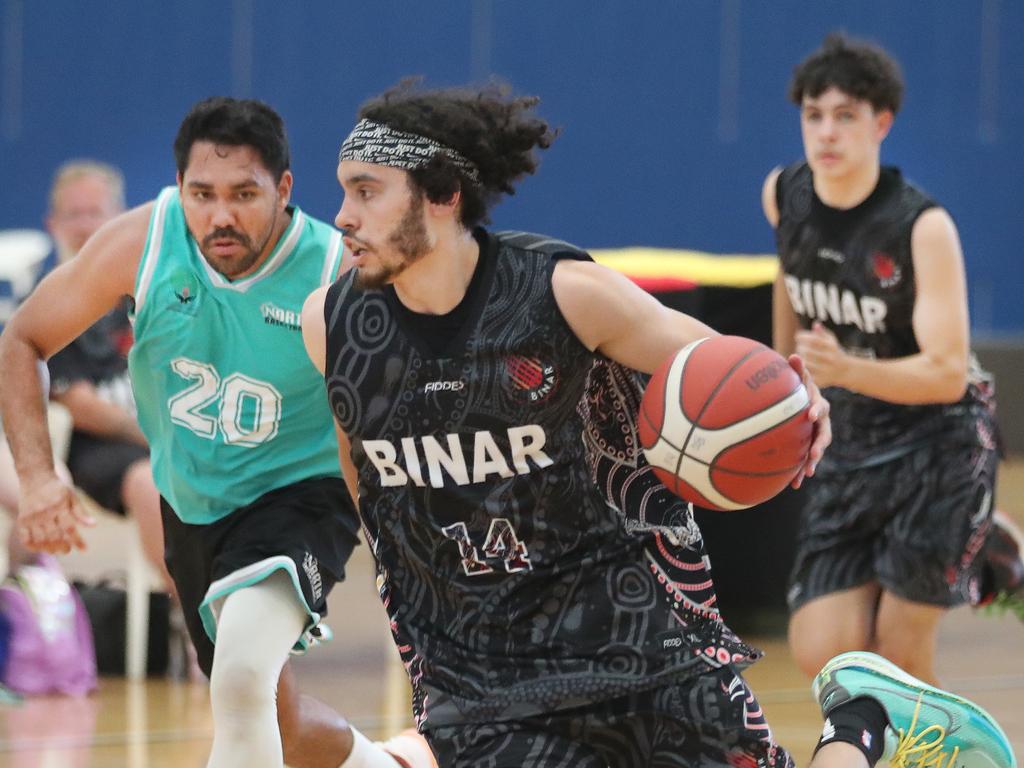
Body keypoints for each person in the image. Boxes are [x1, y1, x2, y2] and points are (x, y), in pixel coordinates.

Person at [300, 80, 1013, 768]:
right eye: (344, 190)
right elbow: (366, 481)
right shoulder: (332, 326)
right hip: (480, 673)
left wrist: (799, 401)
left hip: (634, 638)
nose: (343, 216)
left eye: (366, 191)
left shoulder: (561, 293)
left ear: (444, 195)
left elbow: (721, 361)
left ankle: (863, 719)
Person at [0, 98, 435, 768]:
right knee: (278, 722)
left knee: (236, 679)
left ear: (283, 190)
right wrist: (34, 477)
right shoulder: (143, 242)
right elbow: (22, 340)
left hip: (299, 498)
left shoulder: (334, 273)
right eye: (203, 194)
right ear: (180, 189)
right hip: (193, 508)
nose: (222, 215)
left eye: (244, 194)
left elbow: (403, 409)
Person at [763, 32, 1024, 688]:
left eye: (845, 116)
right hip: (852, 442)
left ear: (881, 123)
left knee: (899, 653)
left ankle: (977, 547)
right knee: (825, 653)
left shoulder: (921, 227)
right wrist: (777, 375)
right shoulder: (784, 194)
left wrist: (845, 369)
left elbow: (944, 373)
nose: (826, 133)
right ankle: (987, 547)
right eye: (813, 116)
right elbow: (787, 276)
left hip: (939, 445)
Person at [43, 160, 171, 590]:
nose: (83, 226)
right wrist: (158, 437)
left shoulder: (151, 292)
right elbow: (80, 407)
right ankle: (196, 625)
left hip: (169, 435)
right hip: (101, 451)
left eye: (94, 212)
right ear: (52, 224)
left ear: (119, 220)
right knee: (152, 483)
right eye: (73, 215)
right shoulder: (49, 304)